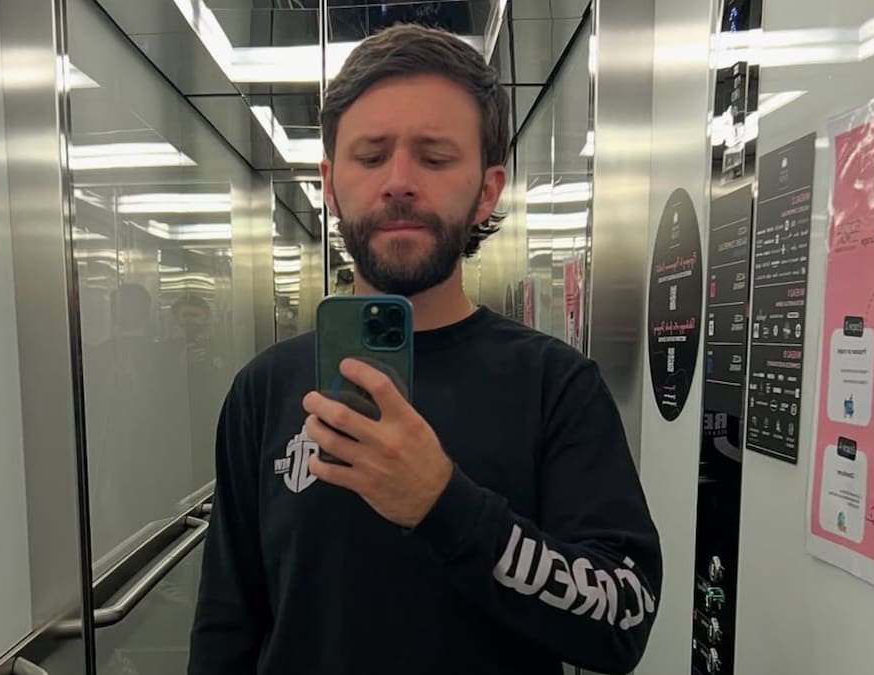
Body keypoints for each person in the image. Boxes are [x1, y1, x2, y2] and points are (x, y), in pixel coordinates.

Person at [188, 23, 662, 675]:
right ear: (330, 184)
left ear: (487, 191)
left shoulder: (555, 384)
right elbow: (226, 626)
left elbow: (622, 617)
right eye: (370, 156)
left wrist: (442, 504)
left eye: (435, 158)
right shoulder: (265, 388)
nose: (399, 181)